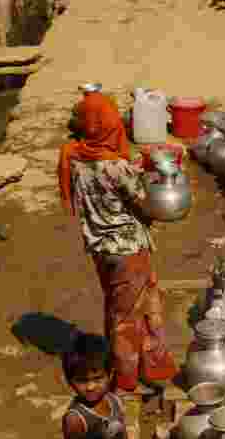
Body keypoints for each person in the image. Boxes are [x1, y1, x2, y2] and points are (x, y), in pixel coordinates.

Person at [57, 90, 178, 395]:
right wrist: (159, 184)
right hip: (127, 253)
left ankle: (151, 365)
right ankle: (125, 378)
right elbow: (145, 206)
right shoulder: (115, 167)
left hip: (100, 249)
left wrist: (133, 169)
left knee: (123, 305)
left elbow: (106, 186)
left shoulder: (74, 158)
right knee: (126, 317)